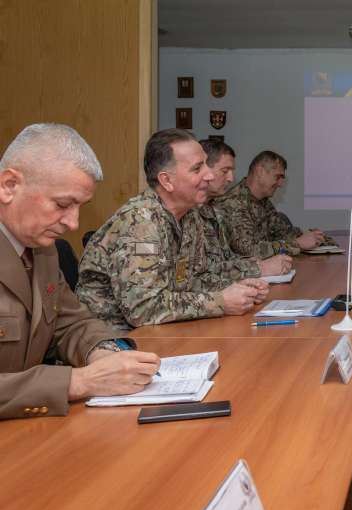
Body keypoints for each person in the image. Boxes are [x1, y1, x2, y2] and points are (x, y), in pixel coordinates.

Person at [0, 123, 160, 419]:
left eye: (79, 207)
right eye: (62, 204)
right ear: (9, 185)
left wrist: (101, 352)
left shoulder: (42, 250)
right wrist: (77, 382)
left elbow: (70, 322)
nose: (73, 223)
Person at [77, 129, 269, 330]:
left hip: (157, 330)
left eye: (206, 164)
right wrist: (220, 301)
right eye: (197, 168)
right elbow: (142, 308)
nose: (210, 174)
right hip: (112, 337)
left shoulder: (190, 215)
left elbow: (192, 280)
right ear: (167, 181)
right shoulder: (141, 223)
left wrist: (235, 289)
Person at [214, 150, 336, 258]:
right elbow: (249, 251)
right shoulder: (233, 202)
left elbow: (284, 232)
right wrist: (297, 244)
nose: (281, 184)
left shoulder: (263, 201)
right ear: (260, 172)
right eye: (278, 177)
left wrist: (317, 238)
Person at [199, 139, 292, 276]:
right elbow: (198, 275)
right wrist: (259, 268)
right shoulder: (227, 204)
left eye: (231, 171)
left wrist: (255, 265)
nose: (231, 178)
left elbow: (225, 259)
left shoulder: (210, 209)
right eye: (225, 171)